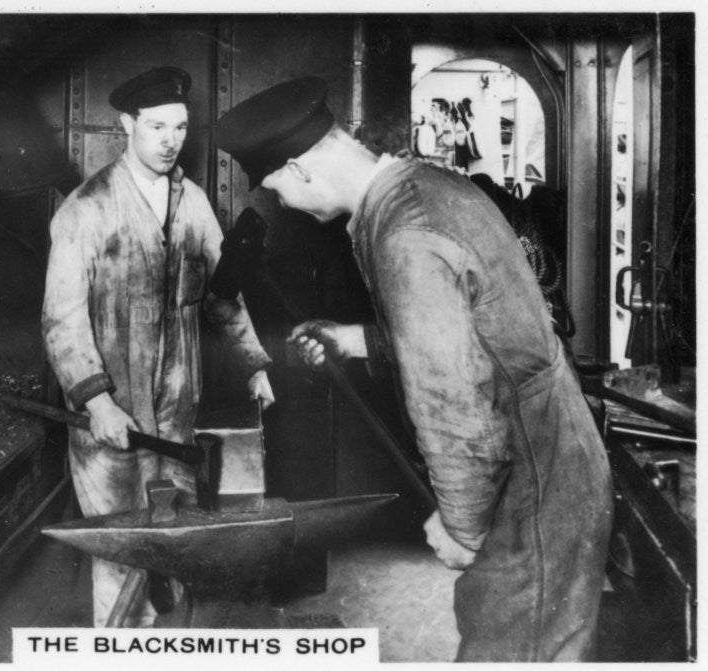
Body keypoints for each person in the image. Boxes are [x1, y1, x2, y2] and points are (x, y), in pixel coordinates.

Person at [214, 76, 612, 662]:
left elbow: (453, 396)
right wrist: (357, 339)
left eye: (276, 189)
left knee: (513, 643)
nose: (283, 204)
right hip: (549, 445)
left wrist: (462, 524)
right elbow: (469, 329)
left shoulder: (402, 233)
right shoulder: (423, 184)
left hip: (530, 466)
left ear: (299, 169)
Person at [42, 66, 274, 627]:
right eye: (156, 127)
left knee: (178, 548)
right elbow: (62, 321)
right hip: (113, 424)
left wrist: (253, 365)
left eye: (180, 128)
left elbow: (223, 296)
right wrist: (97, 403)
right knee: (121, 552)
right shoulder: (85, 209)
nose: (170, 141)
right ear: (127, 125)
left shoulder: (192, 202)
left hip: (175, 421)